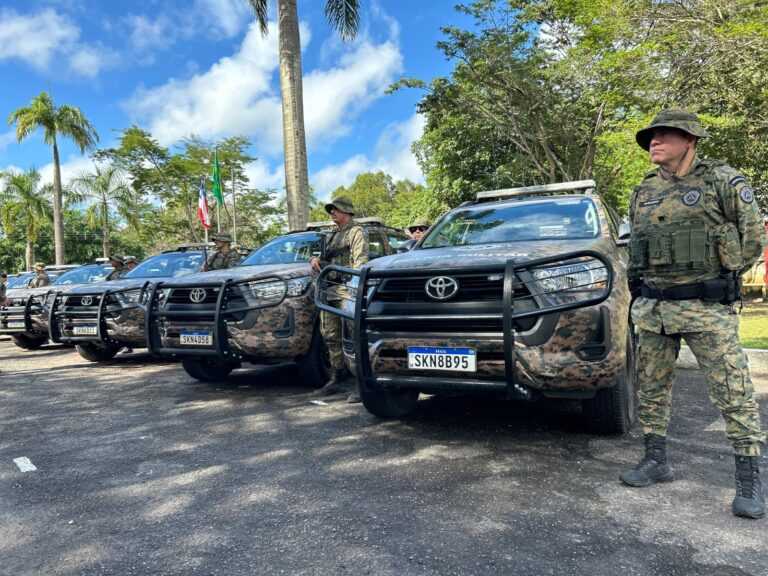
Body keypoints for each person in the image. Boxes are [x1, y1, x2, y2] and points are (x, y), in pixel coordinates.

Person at [621, 108, 766, 519]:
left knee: (733, 393)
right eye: (651, 136)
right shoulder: (643, 190)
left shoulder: (721, 180)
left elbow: (753, 235)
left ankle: (748, 480)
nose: (654, 141)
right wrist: (637, 293)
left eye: (665, 134)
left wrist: (726, 270)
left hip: (705, 307)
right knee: (650, 389)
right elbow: (635, 248)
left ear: (690, 140)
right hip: (654, 310)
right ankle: (656, 460)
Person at [310, 197, 369, 403]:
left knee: (353, 335)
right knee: (329, 333)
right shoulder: (332, 234)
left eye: (335, 210)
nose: (332, 213)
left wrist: (351, 285)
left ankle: (360, 382)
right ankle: (338, 376)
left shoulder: (356, 232)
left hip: (348, 288)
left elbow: (360, 263)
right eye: (331, 210)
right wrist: (317, 260)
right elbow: (326, 258)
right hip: (330, 288)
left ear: (346, 211)